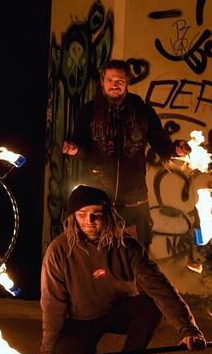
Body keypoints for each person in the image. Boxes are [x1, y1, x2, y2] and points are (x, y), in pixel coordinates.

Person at [35, 184, 206, 354]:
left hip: (117, 312)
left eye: (96, 214)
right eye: (82, 215)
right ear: (72, 217)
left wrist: (188, 328)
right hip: (80, 320)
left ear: (108, 215)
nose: (89, 221)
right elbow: (53, 304)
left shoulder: (128, 246)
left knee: (151, 304)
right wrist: (47, 350)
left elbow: (159, 285)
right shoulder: (58, 251)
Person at [62, 59, 191, 248]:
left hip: (134, 204)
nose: (114, 85)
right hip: (98, 202)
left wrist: (176, 149)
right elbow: (81, 149)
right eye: (110, 80)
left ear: (127, 82)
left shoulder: (143, 111)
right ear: (102, 81)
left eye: (119, 80)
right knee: (99, 258)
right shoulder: (88, 112)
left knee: (134, 258)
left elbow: (161, 145)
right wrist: (74, 150)